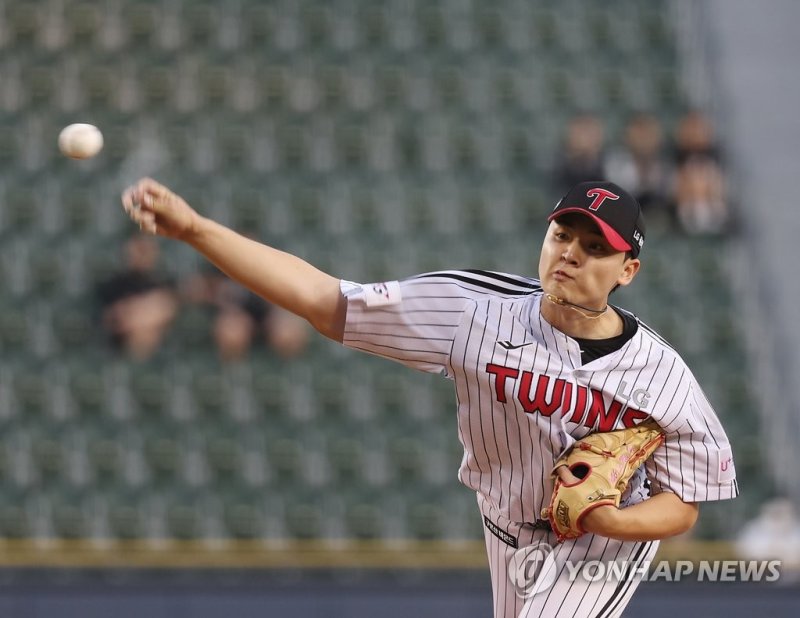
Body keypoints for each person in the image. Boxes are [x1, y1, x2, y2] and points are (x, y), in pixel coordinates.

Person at [121, 178, 738, 617]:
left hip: (598, 547)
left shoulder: (661, 377)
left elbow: (684, 505)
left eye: (596, 247)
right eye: (562, 235)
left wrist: (615, 520)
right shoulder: (474, 312)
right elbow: (323, 300)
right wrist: (196, 230)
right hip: (505, 525)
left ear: (627, 269)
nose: (571, 254)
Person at [95, 234, 179, 361]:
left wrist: (134, 312)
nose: (142, 256)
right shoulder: (113, 285)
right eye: (138, 250)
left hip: (159, 348)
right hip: (121, 348)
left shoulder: (164, 282)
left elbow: (170, 309)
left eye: (145, 251)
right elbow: (110, 319)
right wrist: (148, 310)